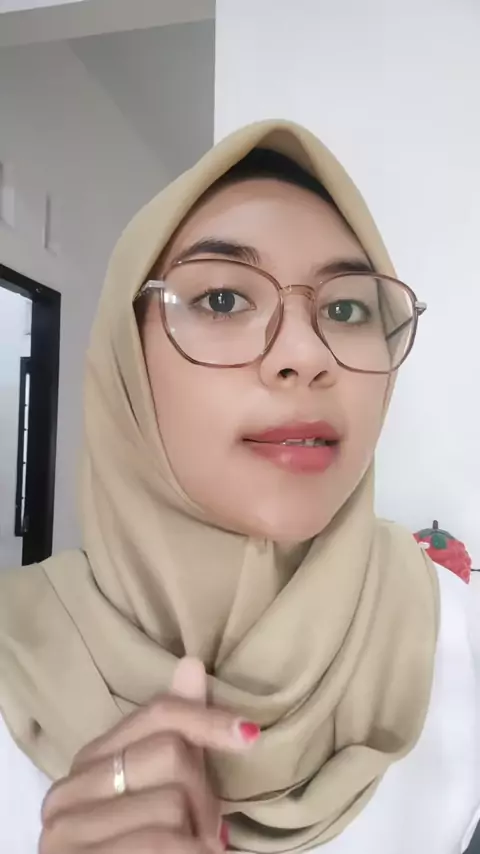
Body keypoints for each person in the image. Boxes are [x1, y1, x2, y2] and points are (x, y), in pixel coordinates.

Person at [0, 120, 479, 854]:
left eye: (347, 309)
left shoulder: (458, 642)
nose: (307, 355)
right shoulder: (14, 653)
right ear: (126, 359)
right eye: (223, 299)